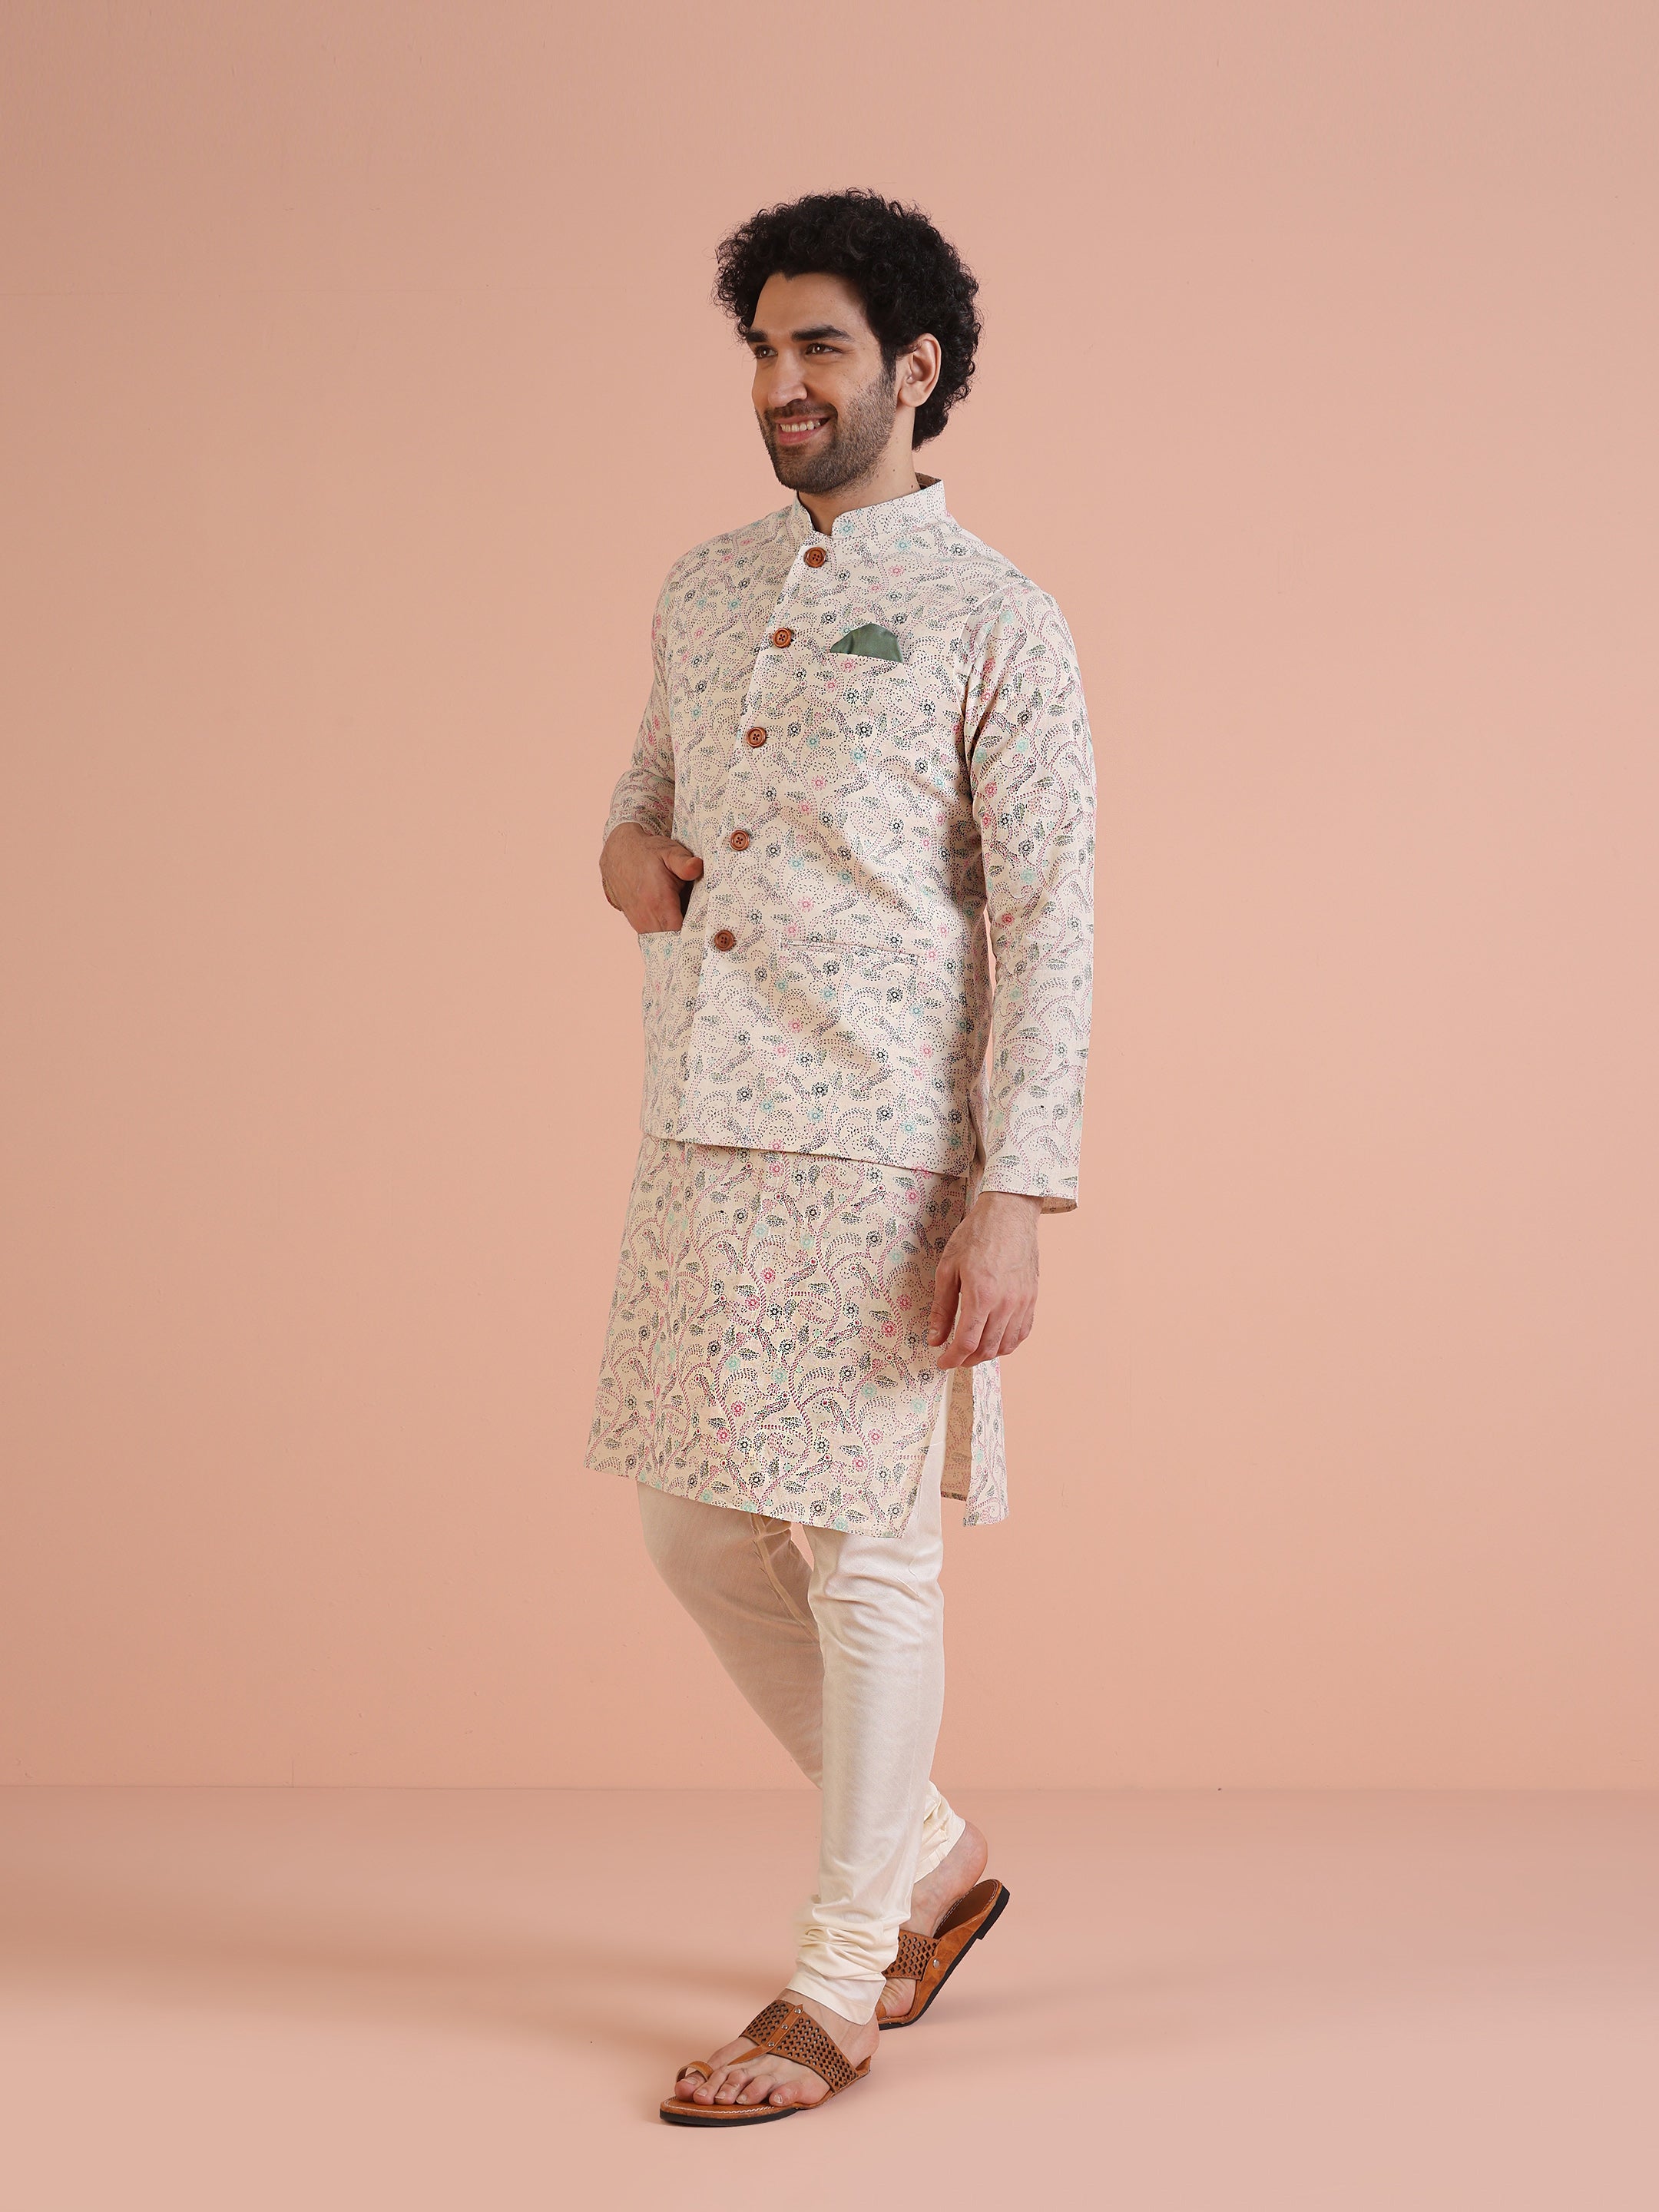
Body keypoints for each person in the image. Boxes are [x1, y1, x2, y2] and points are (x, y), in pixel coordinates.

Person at [585, 189, 1095, 2125]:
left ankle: (833, 1983)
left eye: (821, 348)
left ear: (916, 370)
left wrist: (1014, 1194)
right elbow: (643, 795)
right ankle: (934, 1859)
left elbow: (1050, 920)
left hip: (884, 1154)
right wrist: (623, 854)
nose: (782, 383)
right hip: (702, 1131)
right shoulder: (705, 587)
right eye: (764, 349)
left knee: (870, 1558)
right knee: (693, 1530)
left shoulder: (997, 620)